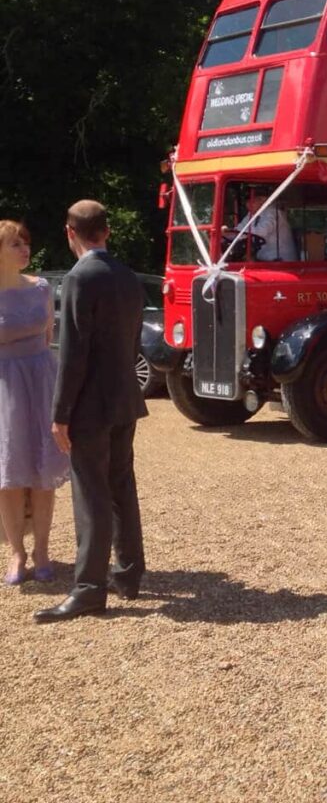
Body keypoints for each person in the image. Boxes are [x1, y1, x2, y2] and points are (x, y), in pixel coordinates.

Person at [34, 201, 147, 623]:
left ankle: (88, 588)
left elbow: (73, 354)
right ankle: (129, 574)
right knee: (121, 486)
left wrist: (60, 412)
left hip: (90, 405)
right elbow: (132, 340)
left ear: (70, 232)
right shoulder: (127, 276)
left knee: (92, 494)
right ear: (107, 232)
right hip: (125, 398)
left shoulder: (80, 278)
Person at [0, 220, 70, 585]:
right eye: (15, 244)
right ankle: (16, 553)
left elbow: (47, 337)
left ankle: (42, 550)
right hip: (4, 387)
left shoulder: (41, 287)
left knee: (43, 472)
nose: (24, 249)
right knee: (9, 477)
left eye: (25, 242)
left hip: (41, 381)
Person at [225, 186, 298, 262]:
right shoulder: (252, 214)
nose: (248, 204)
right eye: (247, 201)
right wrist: (226, 233)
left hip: (280, 261)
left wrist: (235, 232)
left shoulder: (273, 213)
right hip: (262, 260)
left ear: (263, 200)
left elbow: (260, 232)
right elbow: (240, 230)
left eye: (253, 201)